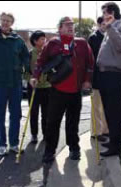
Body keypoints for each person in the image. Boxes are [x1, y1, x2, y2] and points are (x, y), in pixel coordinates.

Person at [30, 17, 94, 163]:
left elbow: (90, 63)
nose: (71, 27)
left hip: (76, 91)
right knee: (52, 122)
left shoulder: (82, 43)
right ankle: (49, 151)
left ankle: (74, 148)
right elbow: (41, 61)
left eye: (72, 25)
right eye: (67, 25)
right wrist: (35, 76)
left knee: (73, 122)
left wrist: (87, 80)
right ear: (60, 28)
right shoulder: (52, 43)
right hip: (57, 90)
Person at [0, 12, 30, 156]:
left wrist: (23, 67)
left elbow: (25, 56)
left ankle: (14, 144)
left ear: (12, 23)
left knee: (16, 114)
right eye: (3, 20)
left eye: (8, 21)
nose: (5, 23)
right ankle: (1, 144)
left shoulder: (17, 39)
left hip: (15, 83)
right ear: (0, 21)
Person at [97, 2, 121, 157]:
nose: (103, 16)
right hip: (106, 75)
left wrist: (110, 27)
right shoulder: (110, 29)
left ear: (112, 13)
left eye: (105, 13)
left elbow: (120, 46)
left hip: (115, 75)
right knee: (109, 111)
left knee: (114, 112)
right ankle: (114, 140)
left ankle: (116, 146)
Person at [25, 30, 51, 144]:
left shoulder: (49, 53)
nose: (44, 41)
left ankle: (46, 134)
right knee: (34, 112)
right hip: (34, 88)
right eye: (41, 39)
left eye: (44, 38)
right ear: (35, 41)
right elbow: (25, 71)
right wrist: (30, 79)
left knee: (47, 113)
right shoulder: (30, 54)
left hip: (47, 87)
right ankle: (34, 134)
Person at [88, 17, 109, 142]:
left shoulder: (110, 37)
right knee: (96, 106)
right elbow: (91, 59)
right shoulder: (93, 38)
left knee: (106, 105)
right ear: (99, 24)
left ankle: (105, 130)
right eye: (103, 24)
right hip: (96, 77)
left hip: (108, 77)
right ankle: (96, 132)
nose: (105, 26)